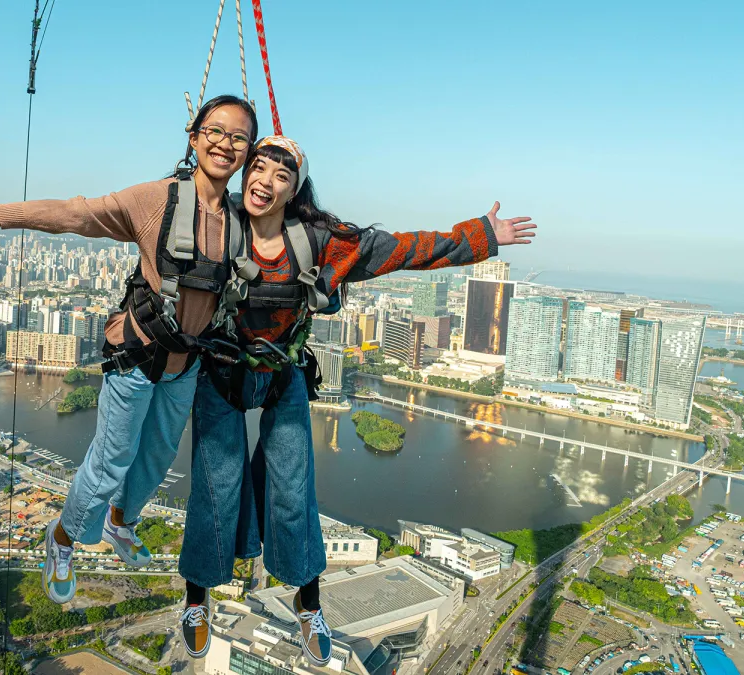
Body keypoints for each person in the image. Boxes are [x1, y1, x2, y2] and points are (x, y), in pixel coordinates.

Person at [175, 135, 537, 664]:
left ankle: (308, 599)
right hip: (222, 372)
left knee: (294, 487)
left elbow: (404, 250)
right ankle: (197, 595)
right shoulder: (215, 223)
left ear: (295, 189)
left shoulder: (321, 240)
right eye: (257, 167)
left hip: (282, 372)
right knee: (215, 484)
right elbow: (159, 222)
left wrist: (481, 236)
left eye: (281, 174)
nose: (265, 180)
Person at [0, 95, 260, 604]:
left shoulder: (242, 220)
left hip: (185, 365)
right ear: (193, 137)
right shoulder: (157, 201)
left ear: (248, 153)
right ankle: (62, 537)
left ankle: (120, 523)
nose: (225, 144)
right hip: (137, 358)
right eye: (215, 131)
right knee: (111, 462)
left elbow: (298, 226)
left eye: (239, 137)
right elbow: (67, 215)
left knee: (157, 457)